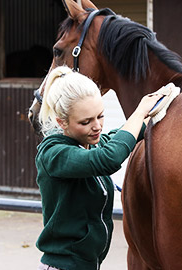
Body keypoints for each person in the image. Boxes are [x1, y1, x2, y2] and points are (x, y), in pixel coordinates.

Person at [35, 66, 163, 270]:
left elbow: (115, 137)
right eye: (86, 122)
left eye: (100, 116)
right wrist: (139, 112)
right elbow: (108, 158)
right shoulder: (53, 153)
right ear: (62, 122)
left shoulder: (89, 144)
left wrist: (158, 109)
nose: (97, 126)